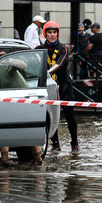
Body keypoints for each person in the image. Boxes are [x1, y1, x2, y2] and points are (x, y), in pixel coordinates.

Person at [37, 20, 79, 153]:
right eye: (49, 32)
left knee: (69, 116)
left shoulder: (63, 49)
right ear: (45, 34)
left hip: (64, 86)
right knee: (50, 116)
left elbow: (59, 64)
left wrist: (46, 73)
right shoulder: (38, 49)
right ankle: (55, 144)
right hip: (48, 88)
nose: (52, 35)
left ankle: (74, 142)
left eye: (55, 32)